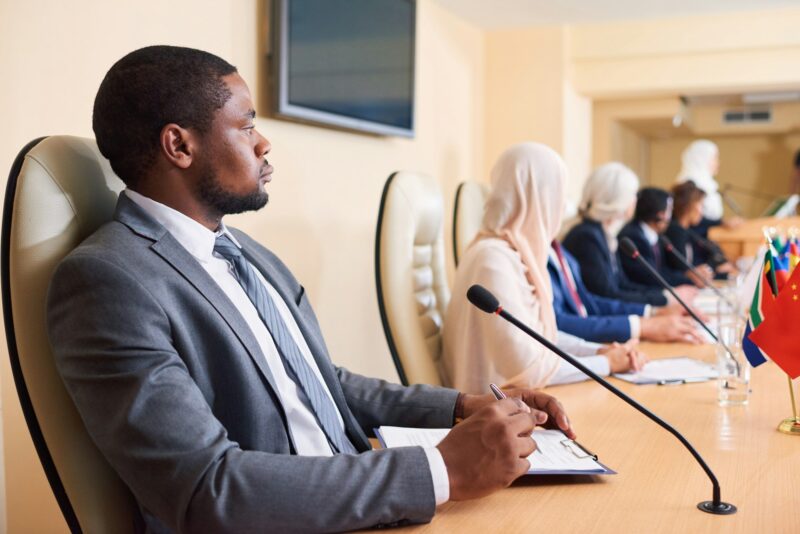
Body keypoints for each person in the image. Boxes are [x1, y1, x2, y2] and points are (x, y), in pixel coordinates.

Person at [45, 46, 576, 533]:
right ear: (179, 145)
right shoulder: (107, 281)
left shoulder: (246, 252)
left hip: (358, 497)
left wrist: (463, 406)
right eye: (247, 124)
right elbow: (209, 489)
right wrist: (442, 468)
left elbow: (322, 382)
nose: (263, 142)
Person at [441, 143, 646, 395]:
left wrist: (599, 351)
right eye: (558, 195)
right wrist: (606, 363)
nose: (561, 208)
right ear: (538, 198)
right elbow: (527, 370)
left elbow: (539, 336)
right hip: (488, 415)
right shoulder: (492, 260)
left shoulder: (515, 253)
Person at [562, 163, 700, 312]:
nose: (635, 200)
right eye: (633, 194)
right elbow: (607, 294)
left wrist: (665, 295)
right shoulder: (587, 237)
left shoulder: (602, 233)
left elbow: (622, 284)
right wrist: (663, 301)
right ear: (618, 198)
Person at [549, 239, 704, 344]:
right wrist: (643, 326)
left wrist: (652, 312)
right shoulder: (586, 237)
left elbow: (587, 302)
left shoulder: (557, 248)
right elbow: (554, 325)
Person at [618, 187, 712, 288]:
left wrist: (690, 276)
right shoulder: (633, 236)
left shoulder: (654, 235)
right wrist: (689, 279)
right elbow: (652, 277)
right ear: (660, 215)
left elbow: (662, 270)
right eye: (669, 211)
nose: (670, 218)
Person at [666, 181, 735, 278]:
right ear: (689, 206)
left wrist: (721, 272)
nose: (702, 212)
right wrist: (718, 273)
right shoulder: (676, 232)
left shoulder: (686, 231)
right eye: (701, 205)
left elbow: (694, 270)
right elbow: (684, 272)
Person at [675, 139, 741, 235]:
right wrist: (722, 223)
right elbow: (690, 216)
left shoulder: (709, 183)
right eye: (714, 158)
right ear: (702, 158)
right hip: (694, 236)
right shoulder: (689, 183)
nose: (718, 163)